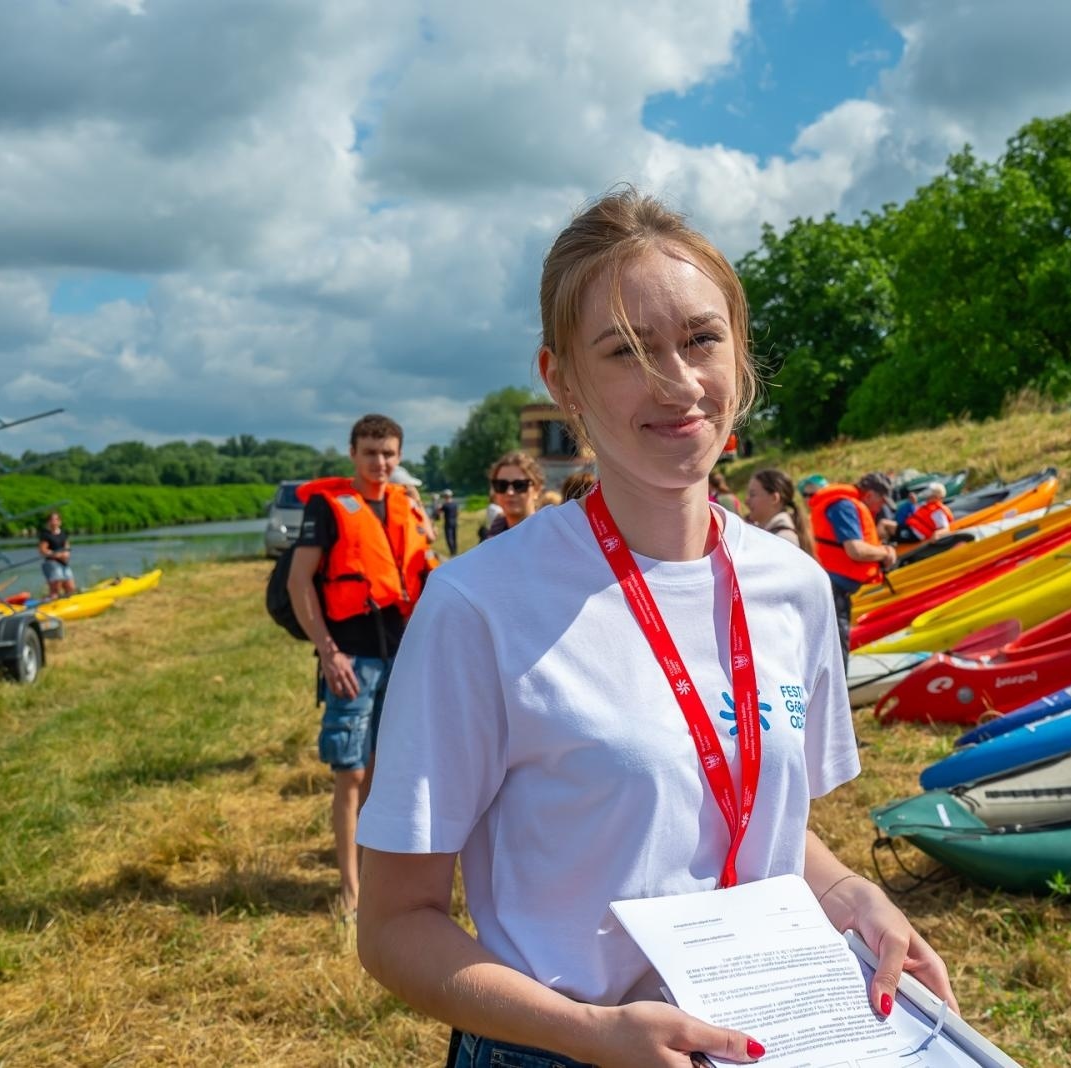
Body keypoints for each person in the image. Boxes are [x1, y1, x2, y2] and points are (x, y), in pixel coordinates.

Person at [355, 189, 956, 1067]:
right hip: (560, 1045)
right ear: (563, 380)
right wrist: (592, 1034)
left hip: (763, 1033)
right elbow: (395, 926)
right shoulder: (480, 604)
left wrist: (848, 892)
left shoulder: (793, 585)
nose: (676, 383)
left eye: (701, 339)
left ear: (739, 352)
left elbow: (747, 823)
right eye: (626, 351)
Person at [287, 413, 433, 920]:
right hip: (352, 658)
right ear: (352, 453)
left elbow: (426, 568)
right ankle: (349, 888)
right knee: (350, 774)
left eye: (390, 453)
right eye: (371, 452)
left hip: (404, 653)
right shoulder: (328, 510)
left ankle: (374, 879)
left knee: (384, 772)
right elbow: (298, 581)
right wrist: (328, 651)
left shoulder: (405, 504)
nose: (381, 463)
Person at [809, 472, 896, 665]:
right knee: (838, 656)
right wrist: (886, 552)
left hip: (838, 591)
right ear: (870, 495)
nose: (881, 507)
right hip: (833, 592)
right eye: (882, 501)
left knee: (839, 652)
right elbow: (855, 550)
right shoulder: (844, 506)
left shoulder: (847, 504)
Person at [744, 468, 813, 555]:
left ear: (774, 498)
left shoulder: (783, 539)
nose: (746, 501)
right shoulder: (770, 535)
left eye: (752, 494)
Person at [478, 451, 543, 542]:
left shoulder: (549, 535)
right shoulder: (492, 538)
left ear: (537, 490)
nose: (510, 492)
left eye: (519, 485)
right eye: (501, 485)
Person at [37, 511, 77, 597]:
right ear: (48, 522)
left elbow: (67, 546)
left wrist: (66, 554)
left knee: (71, 587)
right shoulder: (45, 534)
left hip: (63, 562)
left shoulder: (63, 533)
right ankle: (52, 601)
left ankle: (68, 603)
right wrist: (58, 555)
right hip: (51, 562)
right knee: (56, 586)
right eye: (52, 520)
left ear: (60, 522)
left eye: (56, 520)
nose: (54, 522)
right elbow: (43, 550)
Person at [437, 489, 461, 557]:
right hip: (454, 522)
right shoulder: (455, 504)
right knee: (454, 537)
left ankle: (452, 552)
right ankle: (455, 552)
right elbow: (457, 513)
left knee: (449, 538)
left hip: (448, 522)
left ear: (445, 496)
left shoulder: (445, 505)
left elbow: (439, 514)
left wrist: (439, 507)